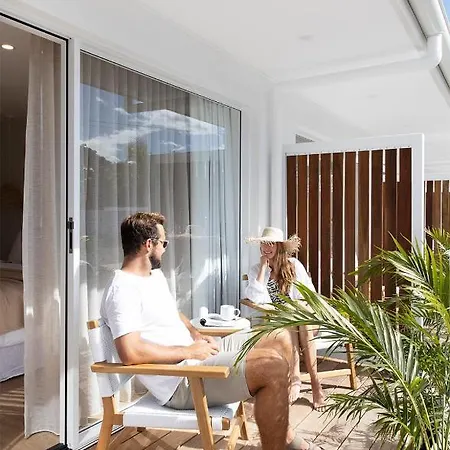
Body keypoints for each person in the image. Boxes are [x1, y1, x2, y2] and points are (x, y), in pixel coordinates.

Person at [100, 212, 323, 450]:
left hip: (195, 356)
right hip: (182, 381)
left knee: (279, 336)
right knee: (271, 366)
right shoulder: (122, 290)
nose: (165, 249)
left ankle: (279, 427)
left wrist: (195, 334)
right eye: (164, 243)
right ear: (148, 245)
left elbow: (172, 313)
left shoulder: (153, 277)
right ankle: (286, 441)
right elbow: (131, 353)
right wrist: (189, 352)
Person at [245, 227, 325, 410]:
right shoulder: (256, 269)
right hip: (282, 324)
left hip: (306, 321)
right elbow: (254, 297)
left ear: (279, 246)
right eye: (264, 244)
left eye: (271, 244)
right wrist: (263, 268)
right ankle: (301, 380)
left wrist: (296, 310)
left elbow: (309, 295)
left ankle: (312, 382)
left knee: (300, 321)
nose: (266, 248)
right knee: (289, 321)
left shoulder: (294, 265)